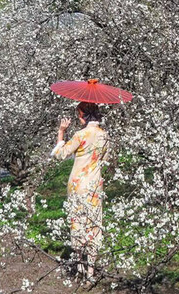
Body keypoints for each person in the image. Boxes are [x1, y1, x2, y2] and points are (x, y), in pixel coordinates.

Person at [51, 102, 110, 284]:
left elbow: (61, 154)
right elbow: (105, 159)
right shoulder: (104, 135)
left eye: (79, 114)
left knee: (78, 224)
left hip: (78, 185)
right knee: (93, 224)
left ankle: (80, 268)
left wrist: (61, 132)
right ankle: (90, 272)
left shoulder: (81, 134)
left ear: (85, 115)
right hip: (94, 186)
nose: (78, 117)